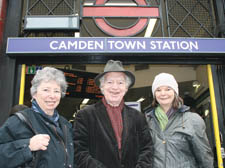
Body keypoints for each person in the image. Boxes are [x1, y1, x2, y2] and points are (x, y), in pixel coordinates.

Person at [73, 60, 153, 168]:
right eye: (110, 82)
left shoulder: (137, 116)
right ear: (102, 87)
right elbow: (79, 152)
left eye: (120, 83)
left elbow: (147, 148)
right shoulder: (85, 115)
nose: (115, 87)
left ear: (126, 88)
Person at [0, 67, 74, 168]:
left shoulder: (65, 125)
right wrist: (28, 145)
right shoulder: (19, 121)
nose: (52, 96)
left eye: (56, 91)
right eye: (46, 90)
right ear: (34, 93)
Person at [145, 72, 213, 168]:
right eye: (158, 90)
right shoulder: (146, 121)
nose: (163, 93)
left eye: (168, 89)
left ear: (175, 92)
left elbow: (204, 157)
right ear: (154, 94)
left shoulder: (192, 120)